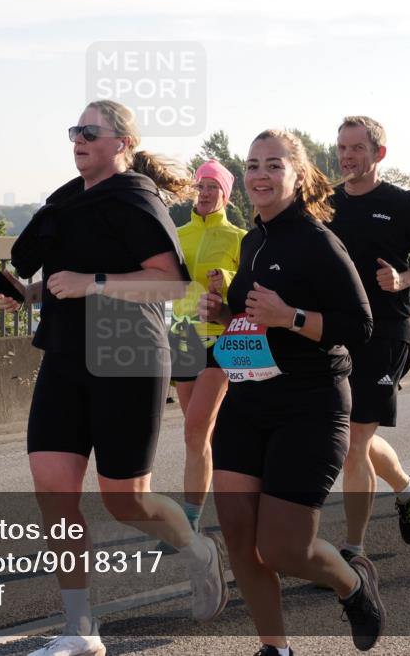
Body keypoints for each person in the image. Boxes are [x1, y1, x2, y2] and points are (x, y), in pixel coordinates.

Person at [0, 99, 228, 656]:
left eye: (90, 132)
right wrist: (28, 292)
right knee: (54, 491)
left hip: (129, 357)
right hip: (65, 355)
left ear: (122, 143)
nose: (78, 140)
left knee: (125, 501)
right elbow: (67, 277)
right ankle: (80, 630)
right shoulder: (65, 203)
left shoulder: (136, 200)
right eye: (75, 131)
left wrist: (93, 283)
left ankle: (198, 550)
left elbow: (171, 283)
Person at [202, 129, 384, 655]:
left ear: (298, 175)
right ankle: (275, 649)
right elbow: (257, 319)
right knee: (239, 536)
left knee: (283, 548)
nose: (260, 175)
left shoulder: (317, 241)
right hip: (248, 399)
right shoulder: (252, 241)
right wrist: (226, 313)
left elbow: (360, 326)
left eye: (273, 165)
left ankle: (353, 583)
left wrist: (291, 316)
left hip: (310, 405)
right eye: (252, 165)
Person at [327, 115, 410, 562]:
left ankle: (353, 550)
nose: (346, 157)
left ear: (378, 153)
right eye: (342, 148)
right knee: (349, 436)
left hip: (387, 333)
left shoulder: (403, 203)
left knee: (354, 441)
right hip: (336, 334)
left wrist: (403, 279)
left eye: (356, 148)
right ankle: (407, 489)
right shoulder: (325, 203)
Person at [157, 159, 245, 550]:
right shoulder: (177, 235)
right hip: (183, 336)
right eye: (200, 186)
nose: (205, 193)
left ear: (226, 195)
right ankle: (195, 520)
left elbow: (250, 285)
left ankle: (188, 524)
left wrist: (226, 279)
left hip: (221, 339)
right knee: (197, 438)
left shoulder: (239, 238)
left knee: (196, 428)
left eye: (213, 187)